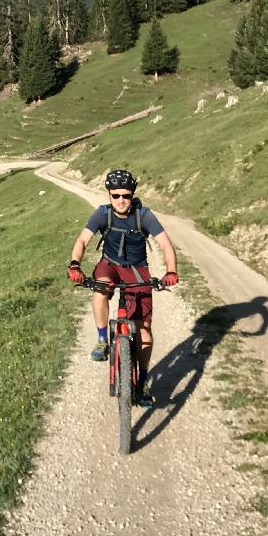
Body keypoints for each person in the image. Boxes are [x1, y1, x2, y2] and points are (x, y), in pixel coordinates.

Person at [67, 168, 178, 406]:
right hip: (110, 265)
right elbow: (83, 240)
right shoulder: (102, 214)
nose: (120, 200)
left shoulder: (144, 216)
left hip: (137, 270)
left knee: (144, 327)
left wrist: (171, 272)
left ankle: (141, 384)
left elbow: (166, 245)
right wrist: (75, 265)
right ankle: (101, 340)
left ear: (132, 194)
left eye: (125, 195)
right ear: (109, 195)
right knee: (101, 288)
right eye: (115, 195)